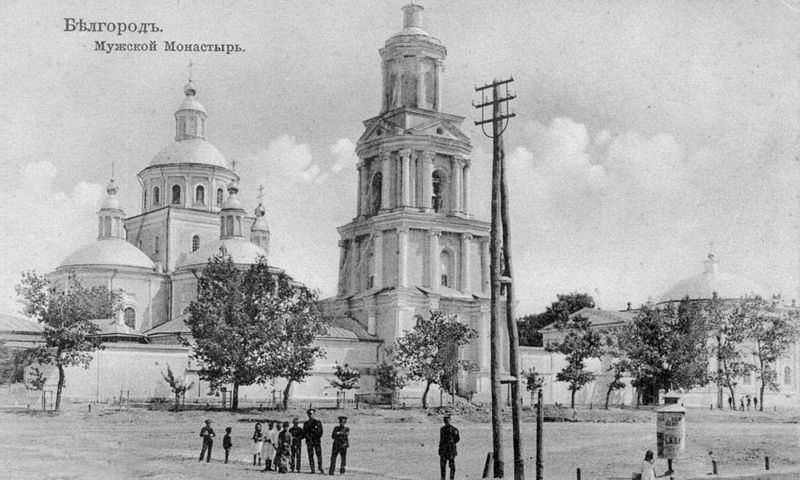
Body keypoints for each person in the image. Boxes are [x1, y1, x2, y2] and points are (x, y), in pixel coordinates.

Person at [438, 414, 459, 480]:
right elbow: (457, 439)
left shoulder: (443, 429)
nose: (447, 421)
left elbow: (442, 440)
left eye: (447, 420)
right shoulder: (454, 429)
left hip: (447, 449)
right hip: (449, 449)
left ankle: (445, 478)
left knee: (445, 466)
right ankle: (450, 478)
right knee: (449, 466)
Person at [303, 408, 324, 473]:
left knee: (319, 455)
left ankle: (320, 467)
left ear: (314, 414)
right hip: (309, 441)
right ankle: (312, 468)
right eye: (309, 414)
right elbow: (304, 433)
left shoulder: (318, 422)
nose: (310, 415)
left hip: (316, 441)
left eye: (311, 414)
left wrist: (313, 431)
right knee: (310, 455)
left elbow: (320, 432)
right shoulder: (306, 423)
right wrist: (308, 438)